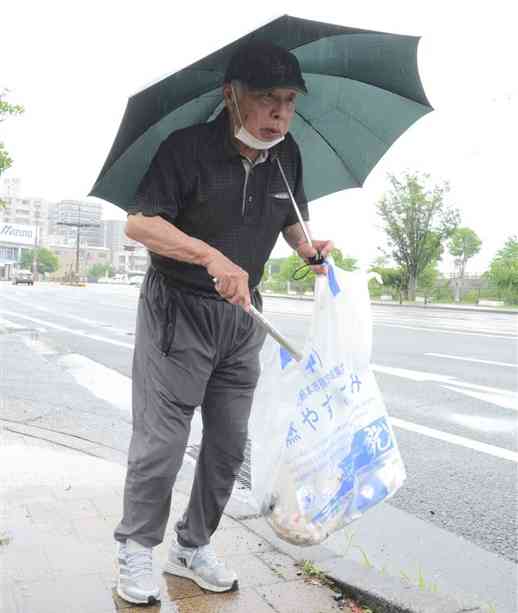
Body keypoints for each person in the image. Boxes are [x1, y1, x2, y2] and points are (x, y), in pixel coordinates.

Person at [114, 40, 334, 605]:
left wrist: (310, 249)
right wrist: (211, 256)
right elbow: (140, 226)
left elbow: (290, 219)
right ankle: (137, 550)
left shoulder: (288, 155)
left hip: (243, 317)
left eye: (288, 101)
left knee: (229, 444)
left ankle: (193, 545)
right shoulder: (185, 149)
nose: (279, 114)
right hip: (179, 311)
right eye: (266, 99)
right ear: (230, 96)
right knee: (162, 442)